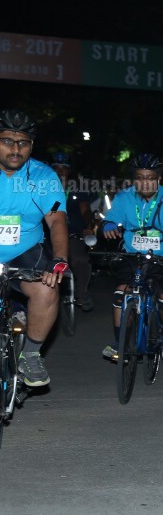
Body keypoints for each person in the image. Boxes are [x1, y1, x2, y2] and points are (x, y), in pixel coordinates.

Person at [0, 108, 69, 387]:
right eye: (7, 141)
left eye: (23, 143)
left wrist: (60, 259)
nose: (15, 149)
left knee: (47, 287)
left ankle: (30, 354)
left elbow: (56, 221)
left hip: (24, 251)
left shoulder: (43, 176)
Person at [100, 154, 163, 362]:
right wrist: (108, 225)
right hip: (132, 256)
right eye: (140, 177)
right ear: (133, 179)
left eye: (150, 177)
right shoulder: (123, 197)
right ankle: (120, 343)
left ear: (158, 178)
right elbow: (110, 219)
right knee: (121, 294)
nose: (145, 182)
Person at [50, 152, 97, 311]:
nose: (60, 171)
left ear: (69, 171)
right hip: (48, 235)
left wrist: (88, 226)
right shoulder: (44, 187)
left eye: (64, 168)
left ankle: (82, 294)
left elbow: (86, 211)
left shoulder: (77, 188)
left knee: (79, 260)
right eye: (56, 168)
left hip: (73, 234)